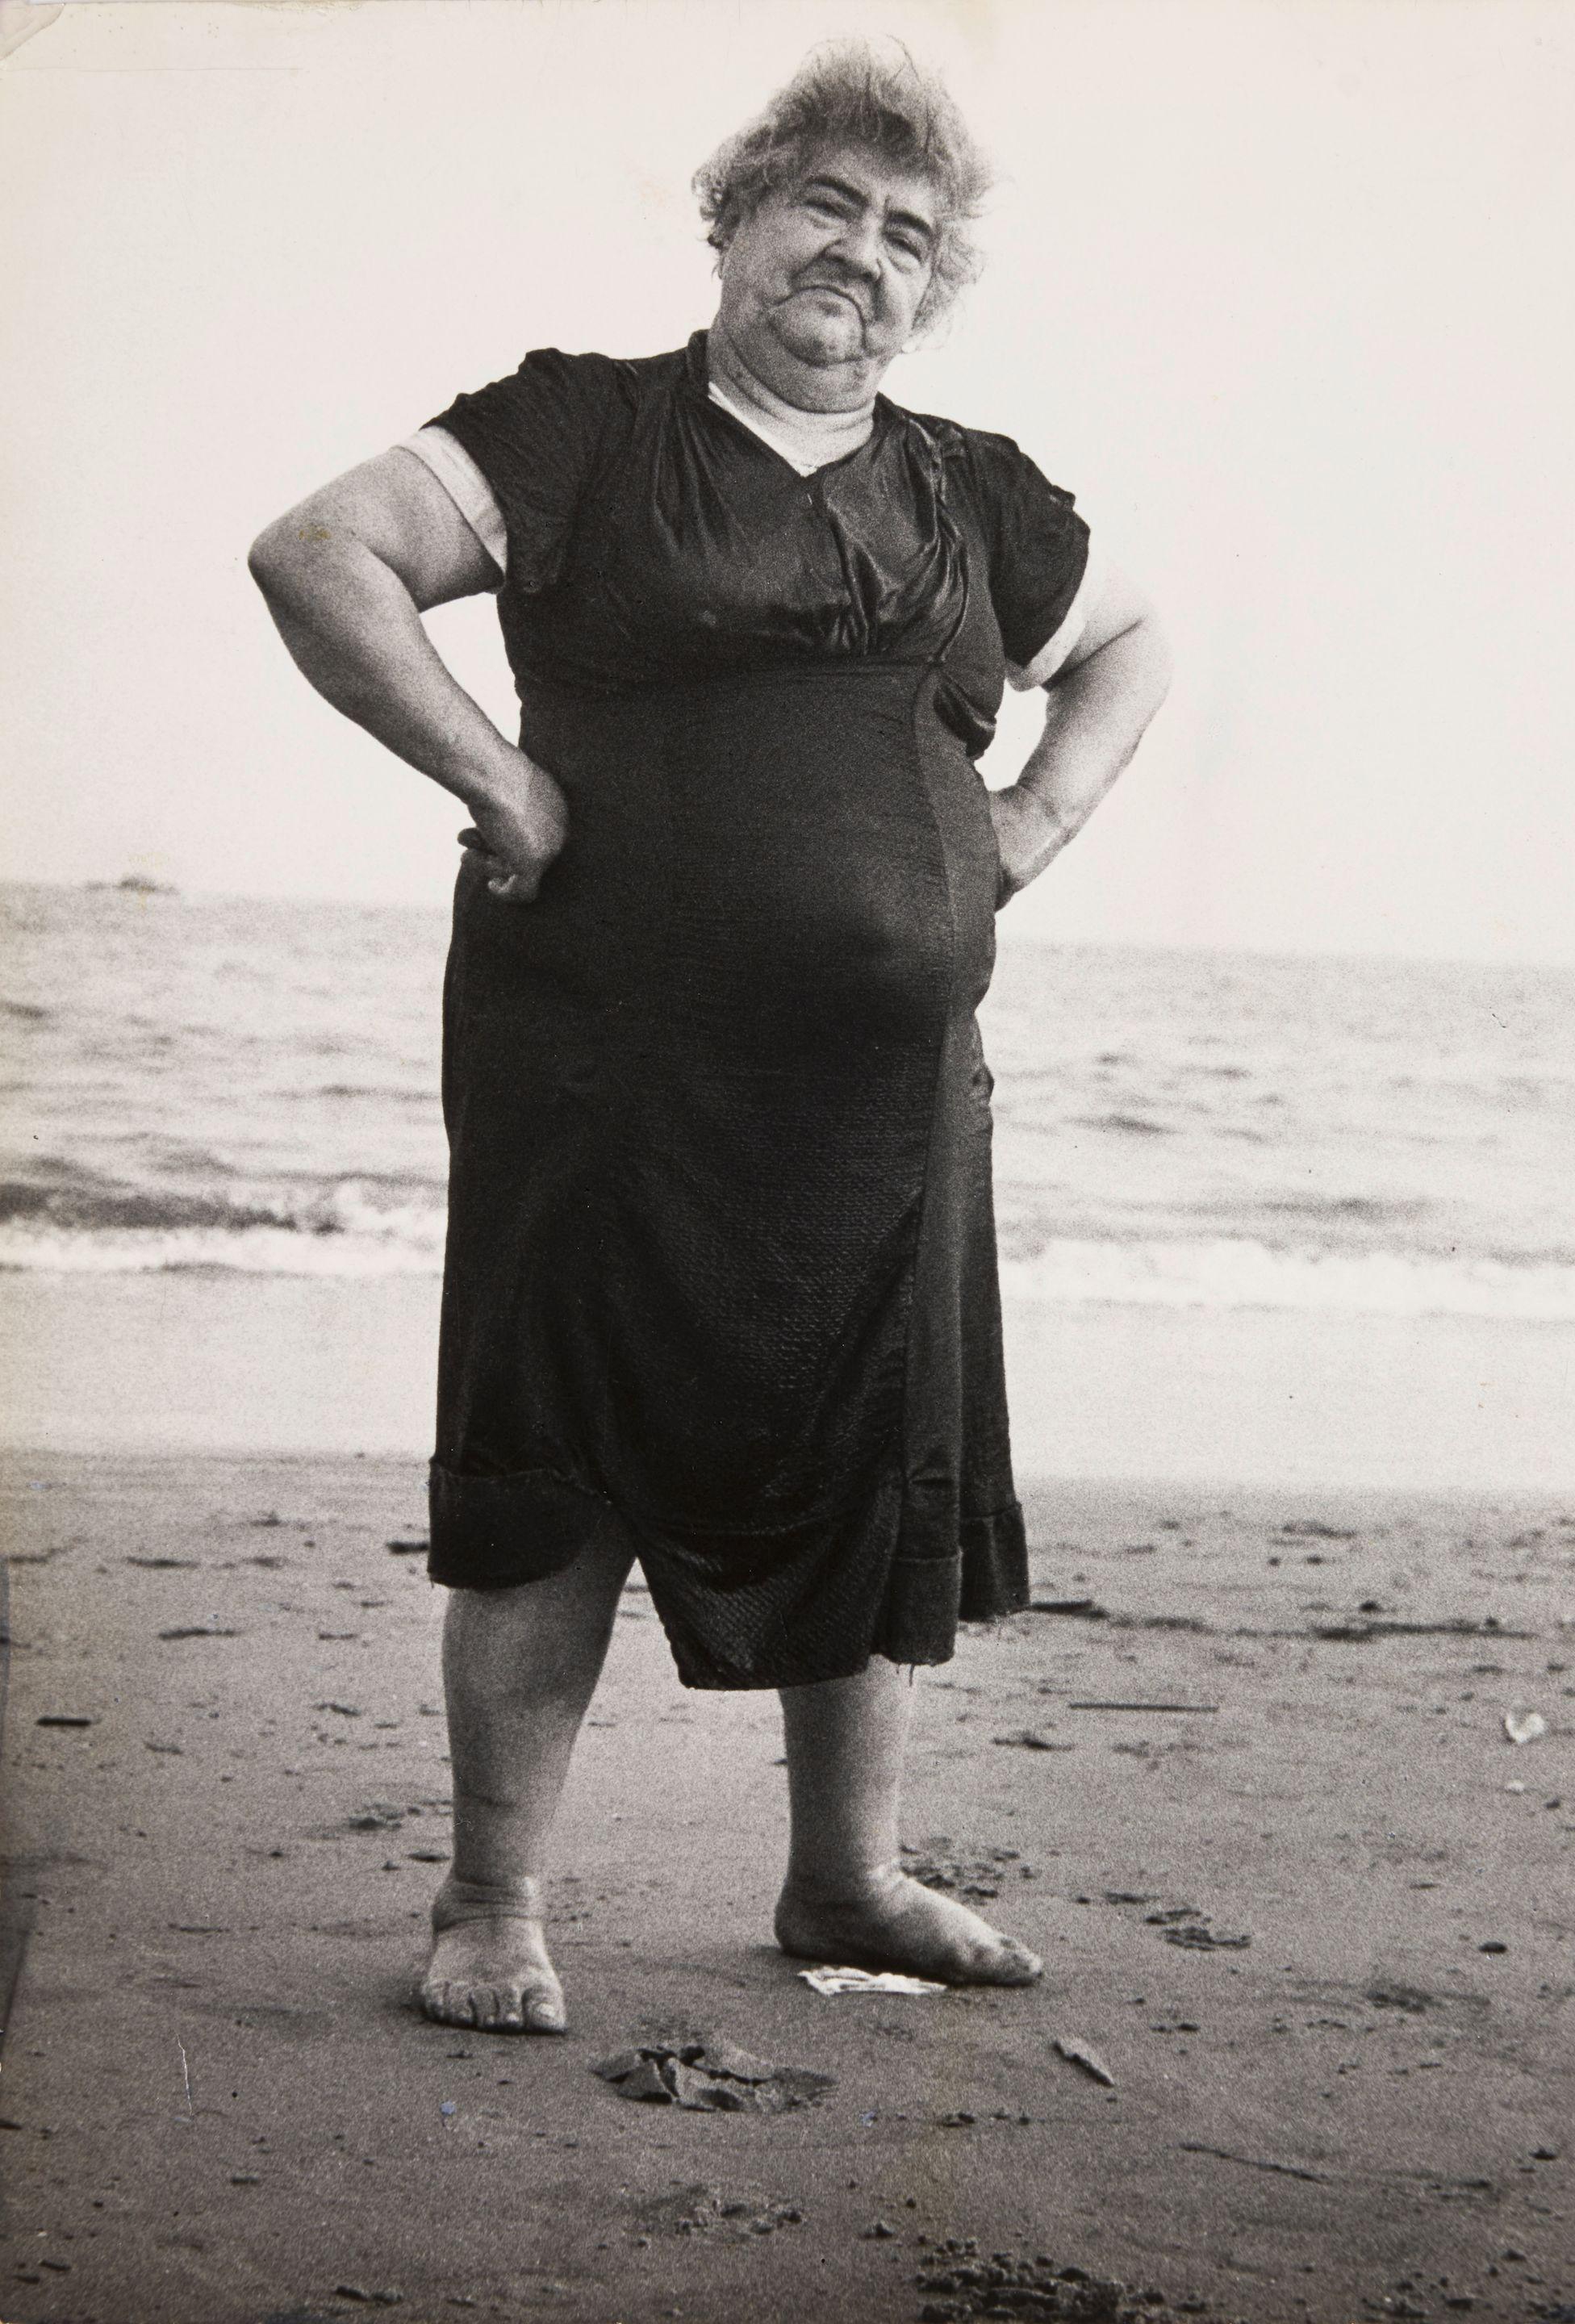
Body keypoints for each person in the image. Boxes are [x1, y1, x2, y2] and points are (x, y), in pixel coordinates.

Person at [249, 42, 1171, 2036]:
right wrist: (498, 783)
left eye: (905, 234)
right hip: (600, 1062)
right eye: (822, 205)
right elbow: (319, 556)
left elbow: (1133, 645)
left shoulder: (975, 492)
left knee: (875, 1443)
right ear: (733, 219)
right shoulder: (582, 428)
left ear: (933, 289)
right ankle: (491, 1903)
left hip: (882, 1093)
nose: (859, 252)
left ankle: (843, 1880)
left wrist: (1020, 833)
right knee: (555, 1453)